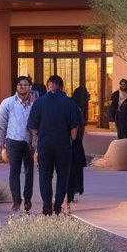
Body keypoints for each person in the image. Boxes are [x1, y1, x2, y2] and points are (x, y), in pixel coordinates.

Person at [26, 74, 83, 216]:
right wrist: (72, 138)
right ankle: (57, 207)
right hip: (63, 145)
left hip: (44, 145)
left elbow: (33, 127)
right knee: (62, 176)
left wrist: (35, 144)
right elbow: (74, 131)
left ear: (48, 85)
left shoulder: (39, 102)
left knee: (45, 175)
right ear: (62, 87)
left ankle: (47, 206)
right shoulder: (70, 103)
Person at [0, 76, 37, 212]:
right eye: (20, 84)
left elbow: (39, 123)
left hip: (29, 142)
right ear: (16, 87)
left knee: (29, 171)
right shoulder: (8, 103)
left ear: (30, 87)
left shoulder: (35, 103)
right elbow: (1, 124)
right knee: (14, 171)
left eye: (26, 85)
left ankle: (28, 199)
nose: (23, 87)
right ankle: (16, 200)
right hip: (13, 140)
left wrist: (36, 142)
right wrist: (0, 144)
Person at [67, 85, 90, 211]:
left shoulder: (74, 106)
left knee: (73, 169)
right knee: (74, 169)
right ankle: (70, 194)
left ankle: (70, 194)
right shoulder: (76, 108)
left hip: (74, 142)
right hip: (74, 142)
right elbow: (77, 129)